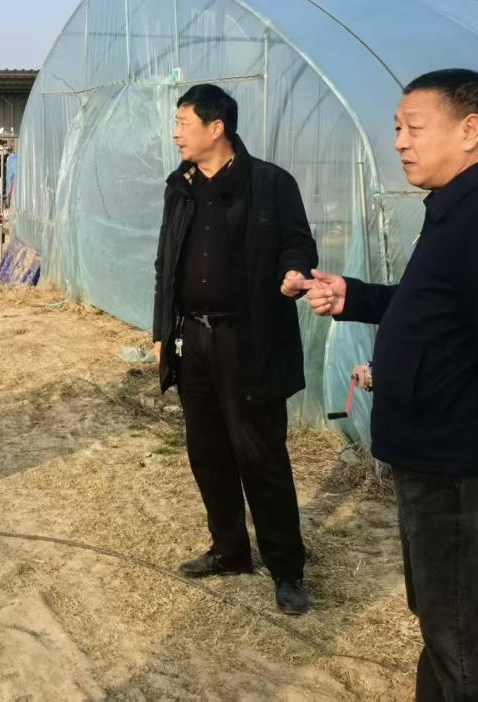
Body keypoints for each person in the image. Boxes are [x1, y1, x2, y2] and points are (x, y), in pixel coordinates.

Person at [302, 69, 478, 700]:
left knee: (464, 637)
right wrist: (353, 296)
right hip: (436, 457)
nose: (399, 141)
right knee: (447, 626)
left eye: (413, 127)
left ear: (470, 130)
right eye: (397, 128)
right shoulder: (461, 207)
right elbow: (431, 306)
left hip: (459, 467)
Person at [153, 83, 317, 616]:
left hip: (250, 339)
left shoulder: (270, 183)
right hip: (193, 338)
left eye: (183, 122)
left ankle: (287, 568)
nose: (176, 133)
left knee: (260, 454)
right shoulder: (179, 187)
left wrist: (293, 272)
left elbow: (298, 242)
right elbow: (165, 263)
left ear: (216, 127)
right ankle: (229, 549)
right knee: (206, 451)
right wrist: (161, 333)